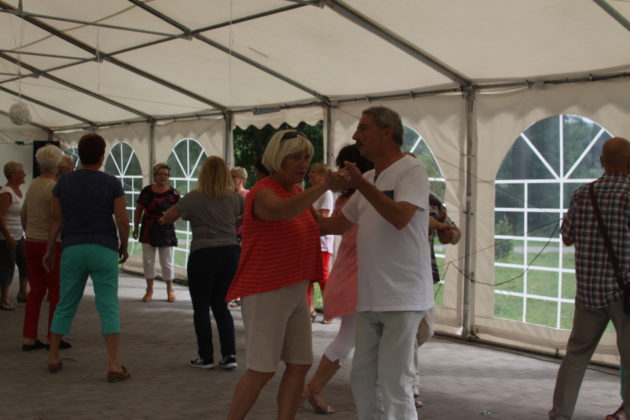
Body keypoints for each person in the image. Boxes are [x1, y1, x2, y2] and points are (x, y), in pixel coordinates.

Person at [320, 106, 434, 420]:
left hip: (403, 295)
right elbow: (337, 225)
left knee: (395, 381)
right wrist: (295, 207)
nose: (356, 136)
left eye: (363, 128)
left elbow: (400, 217)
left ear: (387, 132)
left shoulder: (412, 170)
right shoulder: (370, 177)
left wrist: (361, 185)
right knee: (362, 377)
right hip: (370, 295)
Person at [225, 130, 332, 420]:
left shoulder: (295, 191)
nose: (303, 164)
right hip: (265, 289)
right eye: (295, 157)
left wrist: (364, 200)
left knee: (300, 364)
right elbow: (281, 212)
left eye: (306, 157)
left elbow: (324, 226)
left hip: (295, 288)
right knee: (262, 369)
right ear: (277, 158)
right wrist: (325, 187)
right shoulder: (263, 191)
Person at [549, 137, 630, 420]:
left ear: (602, 162)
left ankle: (560, 415)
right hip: (624, 293)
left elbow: (567, 238)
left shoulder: (583, 193)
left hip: (588, 292)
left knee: (575, 356)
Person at [43, 133, 130, 382]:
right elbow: (122, 219)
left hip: (72, 247)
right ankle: (113, 363)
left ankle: (53, 355)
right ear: (102, 156)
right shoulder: (111, 183)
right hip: (103, 247)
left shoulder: (63, 182)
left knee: (66, 301)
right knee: (108, 304)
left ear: (79, 156)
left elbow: (56, 219)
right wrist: (124, 245)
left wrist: (49, 249)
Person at [303, 144, 373, 414]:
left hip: (353, 273)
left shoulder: (351, 199)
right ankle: (315, 386)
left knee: (355, 338)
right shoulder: (360, 199)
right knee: (350, 338)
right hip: (357, 275)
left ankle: (315, 386)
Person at [160, 156, 243, 370]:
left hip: (203, 253)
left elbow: (169, 217)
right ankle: (230, 355)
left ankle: (205, 356)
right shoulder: (235, 198)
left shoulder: (193, 197)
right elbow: (247, 218)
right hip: (230, 252)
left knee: (201, 307)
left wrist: (163, 218)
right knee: (221, 305)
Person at [21, 145, 72, 351]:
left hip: (31, 240)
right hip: (51, 243)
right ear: (58, 164)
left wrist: (29, 233)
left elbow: (24, 213)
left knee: (35, 291)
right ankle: (53, 336)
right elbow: (56, 218)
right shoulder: (54, 188)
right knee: (56, 291)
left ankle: (28, 337)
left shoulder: (33, 184)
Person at [413, 192, 461, 407]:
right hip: (399, 274)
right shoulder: (390, 196)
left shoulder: (431, 201)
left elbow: (453, 232)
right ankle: (408, 384)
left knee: (425, 331)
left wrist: (450, 234)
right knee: (407, 333)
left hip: (424, 272)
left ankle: (393, 368)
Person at [133, 163, 179, 303]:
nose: (163, 177)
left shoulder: (174, 193)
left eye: (165, 174)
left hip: (166, 229)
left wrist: (168, 218)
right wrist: (136, 227)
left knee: (167, 261)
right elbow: (139, 209)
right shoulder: (147, 191)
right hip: (148, 227)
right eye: (160, 174)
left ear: (169, 177)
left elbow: (179, 211)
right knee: (148, 261)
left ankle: (170, 289)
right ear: (154, 176)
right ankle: (149, 290)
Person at [307, 162, 335, 323]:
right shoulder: (312, 193)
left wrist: (306, 209)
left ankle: (330, 310)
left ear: (322, 176)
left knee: (322, 277)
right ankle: (308, 309)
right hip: (311, 241)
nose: (309, 174)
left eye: (313, 172)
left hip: (322, 242)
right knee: (307, 277)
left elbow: (323, 218)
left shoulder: (327, 193)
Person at [0, 161, 28, 310]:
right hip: (6, 237)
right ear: (13, 175)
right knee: (8, 267)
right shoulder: (6, 192)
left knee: (25, 263)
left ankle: (22, 292)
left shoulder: (19, 191)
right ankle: (3, 298)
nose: (24, 175)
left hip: (19, 234)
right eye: (21, 172)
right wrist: (8, 237)